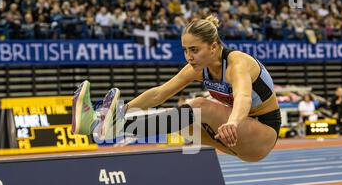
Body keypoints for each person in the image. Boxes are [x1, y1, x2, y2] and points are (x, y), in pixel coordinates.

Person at [71, 15, 281, 162]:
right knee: (184, 119)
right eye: (185, 50)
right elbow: (160, 93)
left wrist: (233, 123)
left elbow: (243, 96)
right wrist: (122, 109)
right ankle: (105, 124)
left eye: (194, 50)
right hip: (232, 138)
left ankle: (114, 128)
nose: (189, 56)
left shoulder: (237, 64)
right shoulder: (198, 68)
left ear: (214, 47)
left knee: (199, 106)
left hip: (262, 133)